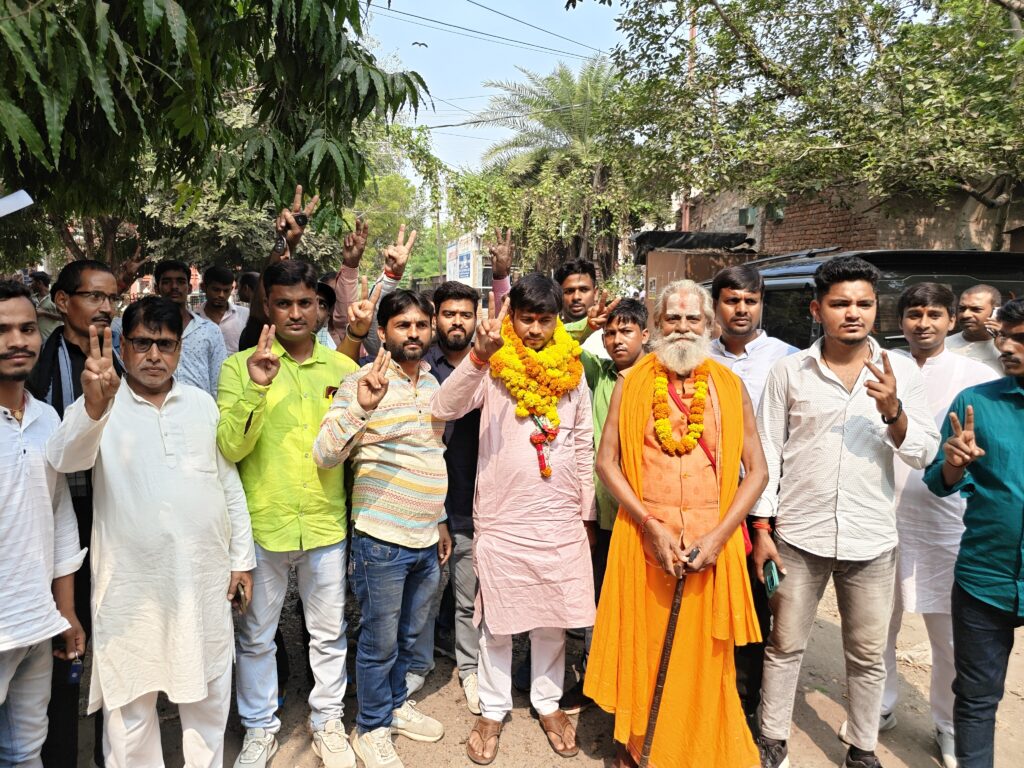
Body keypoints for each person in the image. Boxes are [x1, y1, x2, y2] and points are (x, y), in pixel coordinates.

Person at [45, 296, 256, 768]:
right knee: (131, 704)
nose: (154, 356)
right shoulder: (102, 404)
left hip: (201, 577)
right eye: (142, 343)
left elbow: (228, 484)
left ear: (180, 348)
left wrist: (242, 559)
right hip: (131, 586)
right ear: (123, 346)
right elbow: (63, 458)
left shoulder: (201, 404)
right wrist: (93, 406)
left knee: (208, 694)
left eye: (166, 344)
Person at [754, 256, 941, 768]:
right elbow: (767, 451)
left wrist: (894, 411)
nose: (853, 313)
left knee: (867, 654)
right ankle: (772, 737)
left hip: (871, 538)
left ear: (876, 308)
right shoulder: (789, 371)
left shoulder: (901, 371)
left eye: (864, 303)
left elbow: (924, 453)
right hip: (799, 534)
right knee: (784, 644)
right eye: (840, 304)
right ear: (817, 310)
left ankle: (861, 748)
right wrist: (763, 528)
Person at [584, 280, 767, 768]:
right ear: (657, 326)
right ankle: (638, 743)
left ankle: (693, 748)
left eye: (693, 319)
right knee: (642, 648)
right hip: (646, 540)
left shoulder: (729, 387)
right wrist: (649, 524)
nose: (683, 328)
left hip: (711, 543)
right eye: (673, 318)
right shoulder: (632, 384)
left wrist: (720, 537)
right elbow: (607, 463)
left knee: (703, 657)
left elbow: (758, 471)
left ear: (709, 326)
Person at [432, 273, 596, 765]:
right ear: (513, 318)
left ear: (557, 321)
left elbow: (582, 443)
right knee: (498, 622)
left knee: (553, 619)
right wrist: (479, 358)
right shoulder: (494, 364)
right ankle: (493, 708)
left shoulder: (574, 371)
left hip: (560, 517)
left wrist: (586, 512)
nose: (536, 330)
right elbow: (443, 406)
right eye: (527, 319)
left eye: (545, 320)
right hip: (503, 518)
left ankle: (547, 702)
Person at [217, 260, 359, 768]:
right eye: (283, 303)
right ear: (266, 306)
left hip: (324, 521)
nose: (295, 313)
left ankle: (328, 721)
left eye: (305, 303)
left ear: (319, 307)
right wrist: (257, 388)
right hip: (263, 525)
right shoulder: (238, 368)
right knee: (256, 636)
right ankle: (259, 728)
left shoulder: (343, 369)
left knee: (328, 633)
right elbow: (230, 448)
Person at [315, 290, 449, 768]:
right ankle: (370, 728)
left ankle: (393, 706)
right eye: (402, 325)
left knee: (409, 637)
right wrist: (360, 408)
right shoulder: (360, 381)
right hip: (381, 541)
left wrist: (440, 520)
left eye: (420, 325)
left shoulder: (432, 382)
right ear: (382, 331)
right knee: (379, 641)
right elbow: (324, 454)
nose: (413, 333)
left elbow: (430, 455)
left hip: (425, 537)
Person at [870, 283, 997, 768]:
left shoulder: (976, 375)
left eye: (934, 314)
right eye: (914, 314)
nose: (923, 323)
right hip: (880, 512)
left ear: (950, 320)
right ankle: (880, 706)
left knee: (948, 637)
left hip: (946, 521)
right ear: (900, 320)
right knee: (877, 625)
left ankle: (948, 725)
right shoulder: (882, 365)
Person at [26, 259, 123, 767]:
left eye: (112, 298)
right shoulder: (37, 367)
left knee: (114, 640)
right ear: (62, 302)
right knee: (62, 639)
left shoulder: (127, 358)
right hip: (59, 521)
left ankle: (115, 753)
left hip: (115, 517)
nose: (106, 307)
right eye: (94, 296)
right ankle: (59, 752)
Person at [923, 297, 1024, 768]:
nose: (1006, 346)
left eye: (1020, 338)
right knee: (977, 696)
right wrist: (952, 464)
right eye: (1004, 336)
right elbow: (938, 483)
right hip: (983, 578)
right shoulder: (976, 403)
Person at [709, 263, 798, 737]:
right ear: (716, 305)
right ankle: (711, 692)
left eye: (750, 300)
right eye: (731, 300)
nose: (741, 309)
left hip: (766, 505)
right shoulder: (699, 358)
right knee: (710, 601)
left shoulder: (788, 360)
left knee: (756, 605)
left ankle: (747, 704)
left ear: (762, 303)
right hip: (708, 503)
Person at [0, 280, 86, 767]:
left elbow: (59, 516)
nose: (17, 341)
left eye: (27, 328)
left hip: (35, 620)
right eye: (2, 330)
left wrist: (65, 611)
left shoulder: (47, 418)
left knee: (25, 750)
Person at [150, 259, 227, 394]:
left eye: (180, 282)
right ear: (156, 289)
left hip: (201, 405)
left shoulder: (209, 330)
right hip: (159, 404)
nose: (174, 287)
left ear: (190, 288)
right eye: (167, 282)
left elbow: (220, 380)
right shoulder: (147, 331)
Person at [555, 258, 608, 359]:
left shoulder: (612, 336)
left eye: (584, 290)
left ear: (595, 293)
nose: (576, 297)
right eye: (569, 291)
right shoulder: (547, 335)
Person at [946, 285, 1002, 373]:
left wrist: (1003, 348)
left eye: (976, 309)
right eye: (962, 309)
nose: (965, 315)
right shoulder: (942, 346)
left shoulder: (1011, 349)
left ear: (996, 312)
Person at [197, 264, 250, 354]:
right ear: (203, 287)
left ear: (231, 289)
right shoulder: (193, 318)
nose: (221, 295)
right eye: (216, 290)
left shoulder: (245, 315)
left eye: (226, 291)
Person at [28, 270, 62, 340]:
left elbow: (63, 317)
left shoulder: (55, 298)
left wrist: (45, 313)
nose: (30, 285)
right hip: (35, 340)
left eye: (32, 282)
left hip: (51, 340)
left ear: (39, 283)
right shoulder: (32, 298)